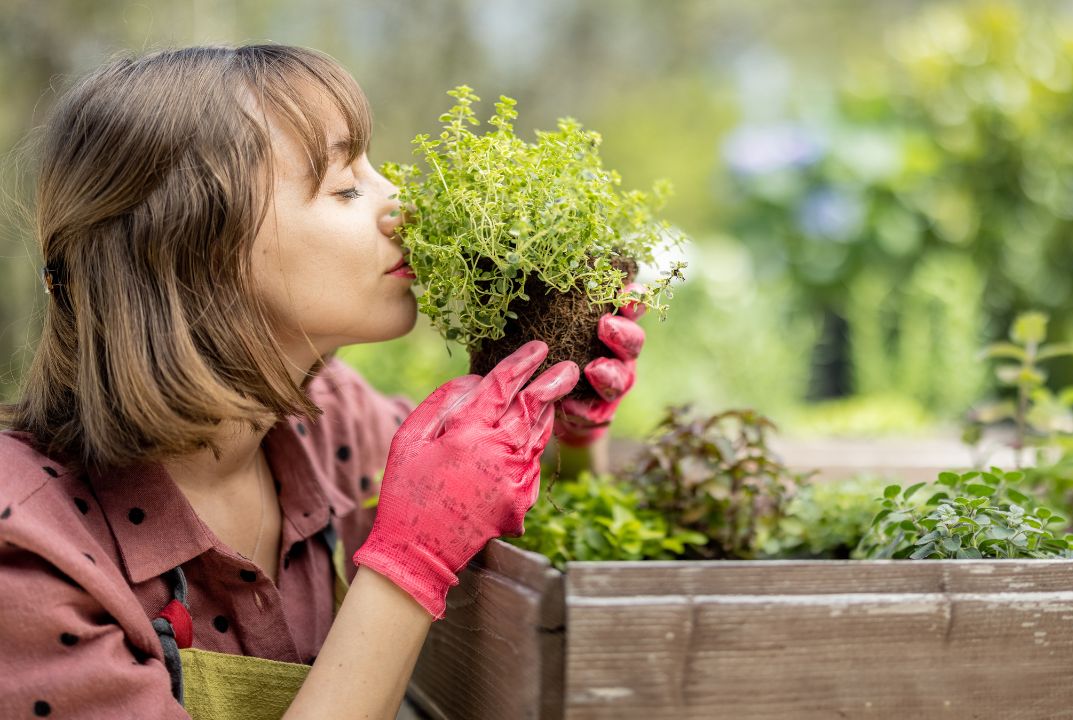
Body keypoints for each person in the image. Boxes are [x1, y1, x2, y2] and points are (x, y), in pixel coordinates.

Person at [0, 44, 647, 719]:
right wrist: (409, 565)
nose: (403, 207)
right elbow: (427, 542)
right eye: (344, 188)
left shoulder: (332, 421)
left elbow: (505, 522)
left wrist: (565, 432)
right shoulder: (25, 547)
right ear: (193, 251)